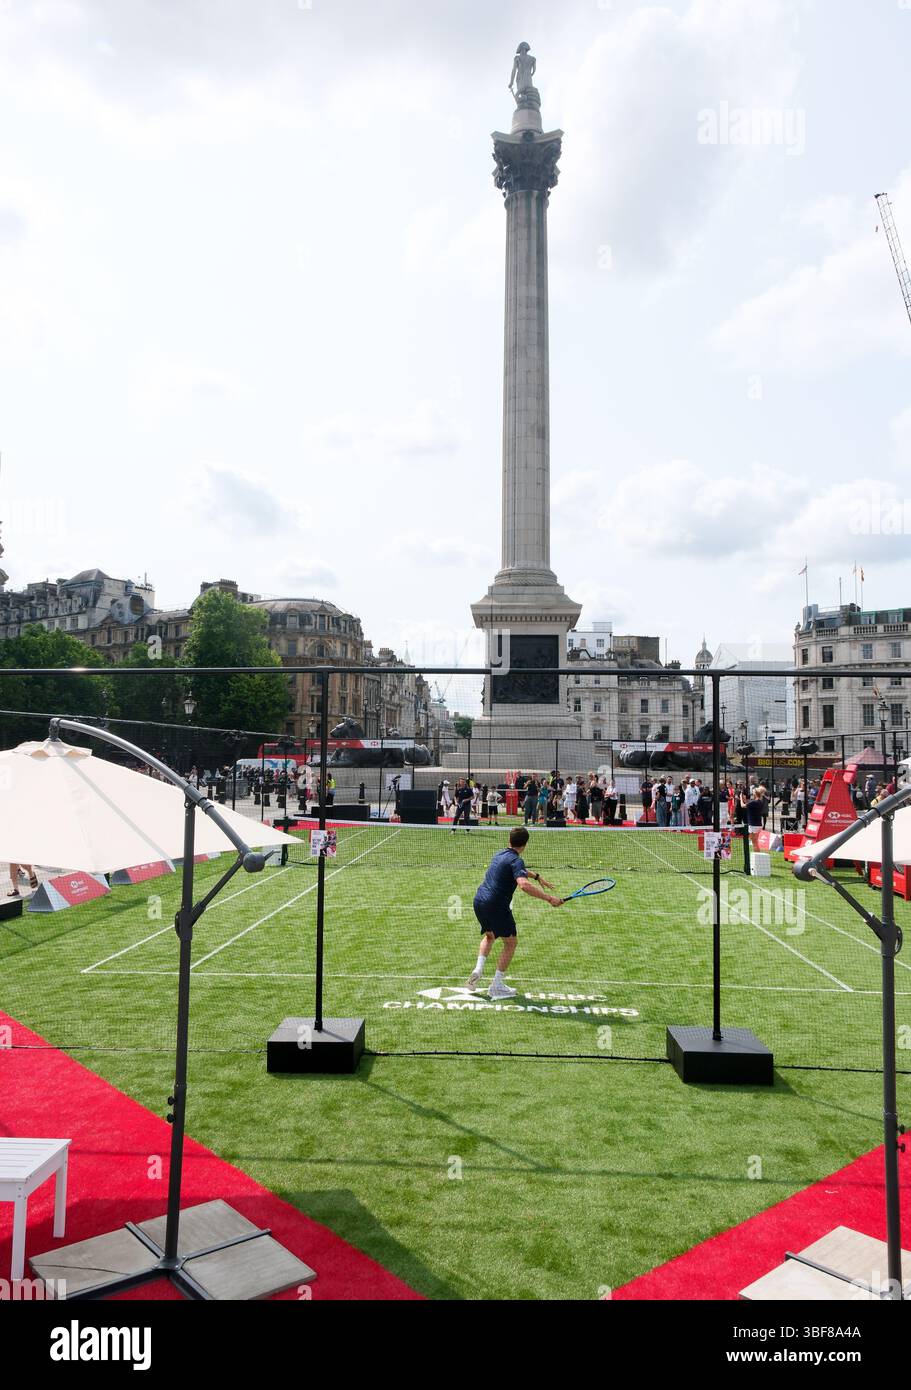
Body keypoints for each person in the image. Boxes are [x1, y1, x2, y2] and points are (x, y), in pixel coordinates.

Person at [467, 826, 563, 1000]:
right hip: (496, 905)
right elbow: (523, 885)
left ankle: (478, 969)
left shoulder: (500, 854)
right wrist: (549, 899)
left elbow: (516, 870)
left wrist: (537, 876)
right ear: (525, 845)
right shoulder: (517, 860)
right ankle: (496, 985)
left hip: (479, 901)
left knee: (490, 936)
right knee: (510, 943)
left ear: (509, 841)